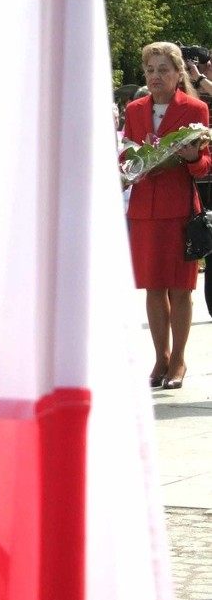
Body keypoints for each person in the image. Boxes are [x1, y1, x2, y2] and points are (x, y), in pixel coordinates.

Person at [122, 41, 210, 389]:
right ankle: (160, 357)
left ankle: (178, 361)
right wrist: (129, 165)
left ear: (178, 75)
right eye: (150, 70)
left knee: (181, 288)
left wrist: (191, 157)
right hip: (144, 211)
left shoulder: (195, 108)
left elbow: (205, 166)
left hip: (179, 211)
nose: (155, 76)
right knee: (153, 288)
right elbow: (126, 153)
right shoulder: (134, 109)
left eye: (163, 70)